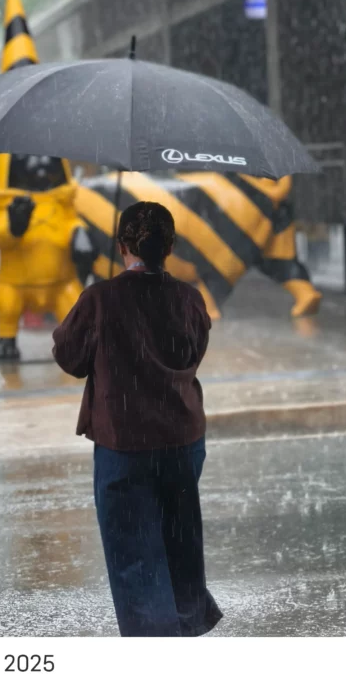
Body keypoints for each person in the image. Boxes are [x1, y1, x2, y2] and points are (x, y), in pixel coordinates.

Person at [52, 201, 222, 638]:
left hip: (124, 443)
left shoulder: (100, 299)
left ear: (122, 245)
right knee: (179, 543)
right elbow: (193, 352)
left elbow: (69, 357)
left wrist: (92, 308)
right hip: (183, 442)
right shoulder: (188, 298)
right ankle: (184, 625)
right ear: (170, 246)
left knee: (135, 554)